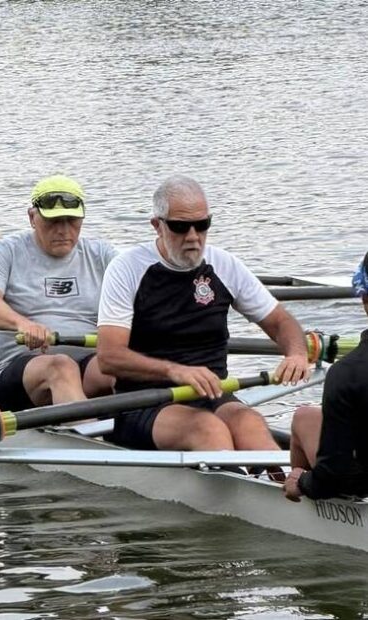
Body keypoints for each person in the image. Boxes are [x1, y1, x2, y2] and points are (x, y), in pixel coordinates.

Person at [96, 174, 310, 454]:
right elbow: (109, 357)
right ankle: (236, 486)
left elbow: (281, 321)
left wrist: (296, 353)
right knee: (208, 429)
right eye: (180, 227)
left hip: (212, 393)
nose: (193, 237)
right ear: (157, 226)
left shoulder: (224, 265)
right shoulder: (127, 269)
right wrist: (175, 371)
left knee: (251, 423)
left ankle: (280, 486)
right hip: (144, 401)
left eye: (202, 225)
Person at [0, 174, 116, 412]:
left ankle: (139, 433)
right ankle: (91, 442)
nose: (63, 230)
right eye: (53, 221)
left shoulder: (101, 254)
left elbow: (143, 296)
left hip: (87, 365)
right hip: (19, 372)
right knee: (61, 366)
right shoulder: (4, 252)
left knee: (122, 369)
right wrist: (22, 324)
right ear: (32, 217)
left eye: (71, 221)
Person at [284, 259, 368, 501]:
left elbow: (333, 477)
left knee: (303, 417)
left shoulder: (348, 373)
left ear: (364, 299)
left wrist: (303, 481)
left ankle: (292, 497)